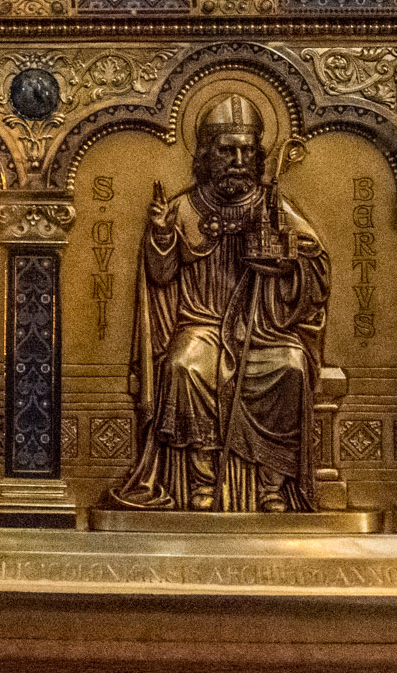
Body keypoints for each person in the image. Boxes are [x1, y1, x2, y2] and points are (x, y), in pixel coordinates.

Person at [107, 95, 329, 513]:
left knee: (291, 367)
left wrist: (287, 264)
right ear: (206, 155)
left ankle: (271, 485)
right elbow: (160, 277)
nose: (238, 161)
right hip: (203, 325)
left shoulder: (274, 207)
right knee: (184, 365)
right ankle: (203, 480)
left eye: (247, 152)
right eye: (227, 151)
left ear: (259, 156)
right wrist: (161, 236)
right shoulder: (183, 208)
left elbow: (315, 266)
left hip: (263, 329)